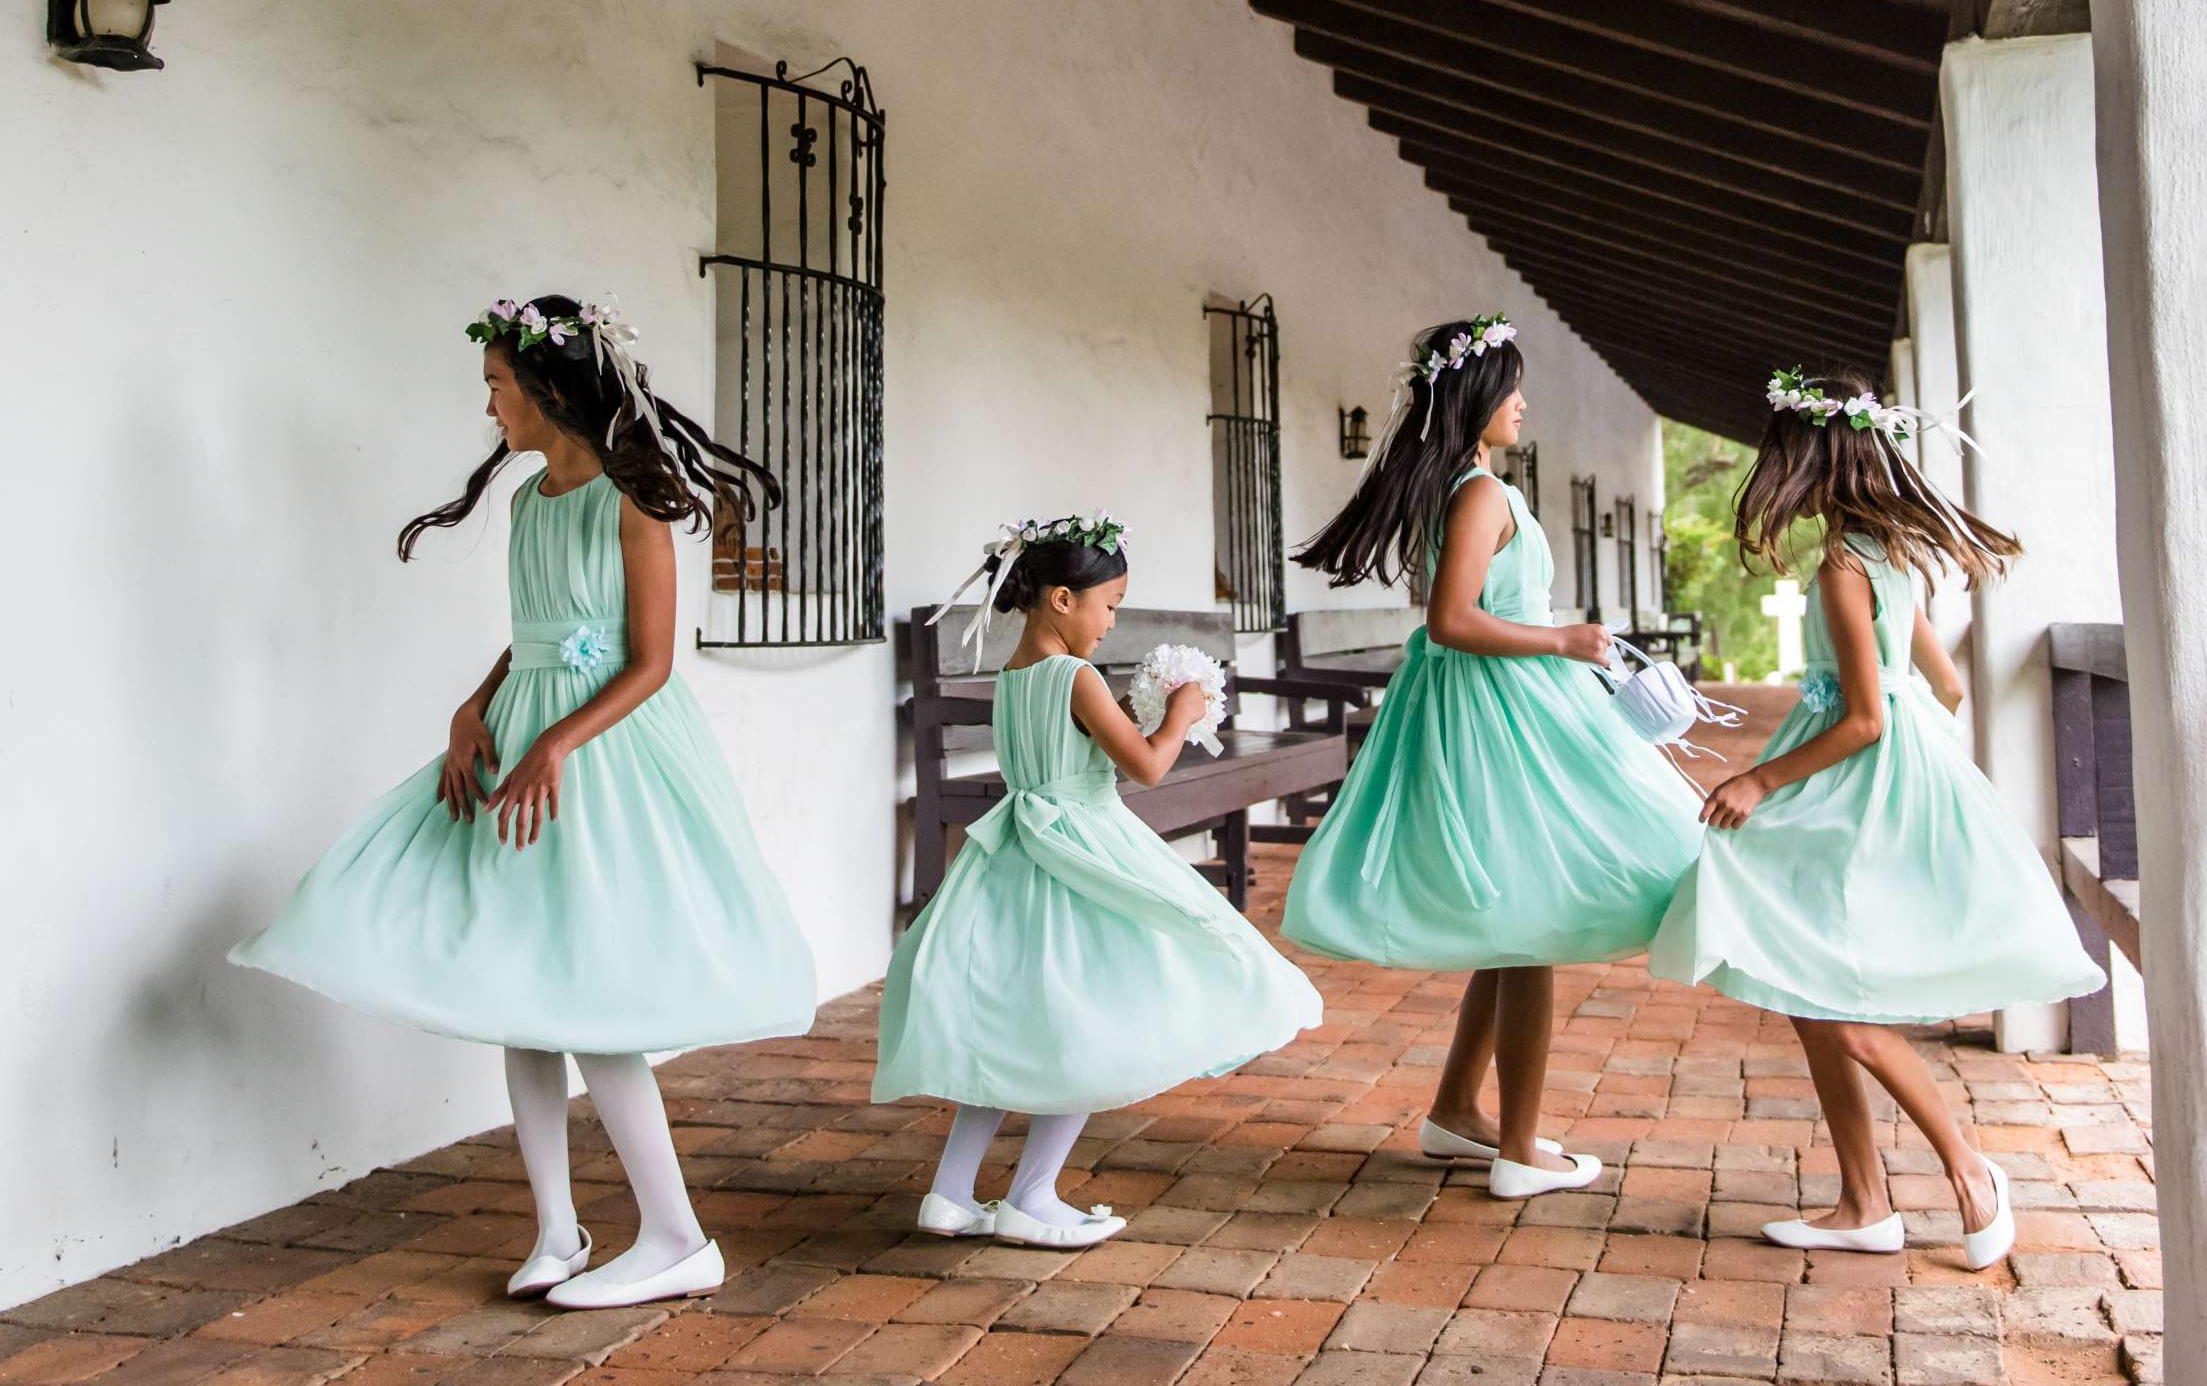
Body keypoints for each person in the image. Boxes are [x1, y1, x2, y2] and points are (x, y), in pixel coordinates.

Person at [232, 294, 817, 1307]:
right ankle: (558, 1229)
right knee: (522, 989)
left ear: (550, 389)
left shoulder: (631, 500)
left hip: (601, 755)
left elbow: (651, 662)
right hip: (523, 745)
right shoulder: (529, 502)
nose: (490, 405)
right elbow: (538, 631)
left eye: (498, 386)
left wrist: (554, 739)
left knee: (592, 993)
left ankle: (677, 1235)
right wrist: (477, 704)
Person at [1649, 366, 2105, 1270]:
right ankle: (1863, 1200)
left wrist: (1763, 780)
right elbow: (1945, 686)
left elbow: (1864, 719)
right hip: (1881, 780)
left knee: (1838, 1003)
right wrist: (1916, 759)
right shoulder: (1891, 557)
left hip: (1850, 784)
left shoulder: (1844, 565)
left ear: (1813, 460)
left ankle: (1971, 1170)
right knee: (1804, 987)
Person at [1285, 315, 1703, 1199]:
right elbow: (1452, 621)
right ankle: (1518, 1150)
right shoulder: (1479, 495)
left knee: (1517, 913)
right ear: (1476, 399)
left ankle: (1455, 1114)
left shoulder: (1471, 489)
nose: (1523, 403)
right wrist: (1563, 641)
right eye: (1511, 386)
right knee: (1534, 918)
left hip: (1497, 707)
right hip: (1499, 716)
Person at [874, 513, 1323, 1247]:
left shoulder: (1014, 675)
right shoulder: (1075, 677)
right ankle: (1032, 1196)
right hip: (1082, 852)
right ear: (1060, 599)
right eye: (1107, 605)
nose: (1111, 622)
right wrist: (1181, 712)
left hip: (1016, 857)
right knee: (1089, 1021)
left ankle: (951, 1193)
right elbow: (1146, 766)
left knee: (1013, 1028)